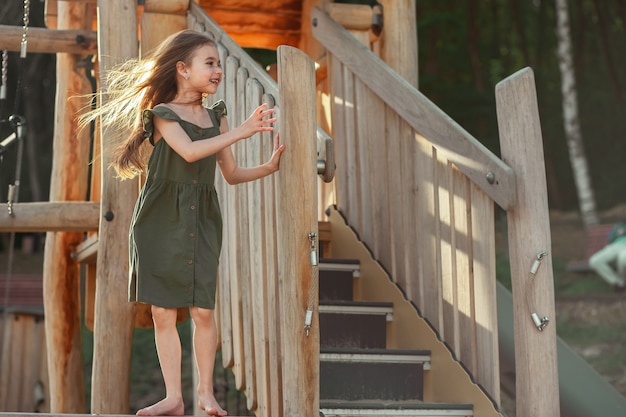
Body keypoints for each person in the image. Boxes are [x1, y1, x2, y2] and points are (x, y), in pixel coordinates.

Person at [81, 30, 285, 416]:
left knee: (203, 309)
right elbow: (190, 152)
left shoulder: (216, 116)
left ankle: (205, 394)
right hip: (159, 218)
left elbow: (231, 173)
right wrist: (243, 131)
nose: (217, 70)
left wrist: (268, 167)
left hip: (202, 215)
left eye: (219, 63)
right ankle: (174, 397)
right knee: (163, 312)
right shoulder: (162, 115)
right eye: (209, 63)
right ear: (182, 69)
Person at [588, 222, 626, 292]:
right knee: (595, 261)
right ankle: (618, 282)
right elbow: (611, 238)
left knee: (623, 258)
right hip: (614, 246)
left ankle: (623, 280)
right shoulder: (619, 226)